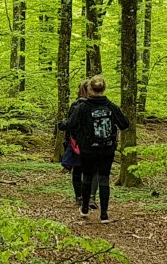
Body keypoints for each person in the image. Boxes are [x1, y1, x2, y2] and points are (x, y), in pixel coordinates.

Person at [57, 75, 130, 223]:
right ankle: (104, 215)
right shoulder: (111, 106)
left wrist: (60, 124)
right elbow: (124, 124)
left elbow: (70, 124)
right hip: (107, 149)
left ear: (89, 88)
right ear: (104, 89)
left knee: (87, 177)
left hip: (88, 149)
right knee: (104, 178)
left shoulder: (82, 107)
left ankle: (84, 209)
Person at [61, 81, 98, 209]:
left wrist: (68, 143)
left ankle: (80, 198)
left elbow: (69, 125)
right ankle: (90, 197)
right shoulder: (97, 105)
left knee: (78, 170)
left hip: (77, 143)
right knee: (93, 171)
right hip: (93, 143)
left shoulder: (76, 105)